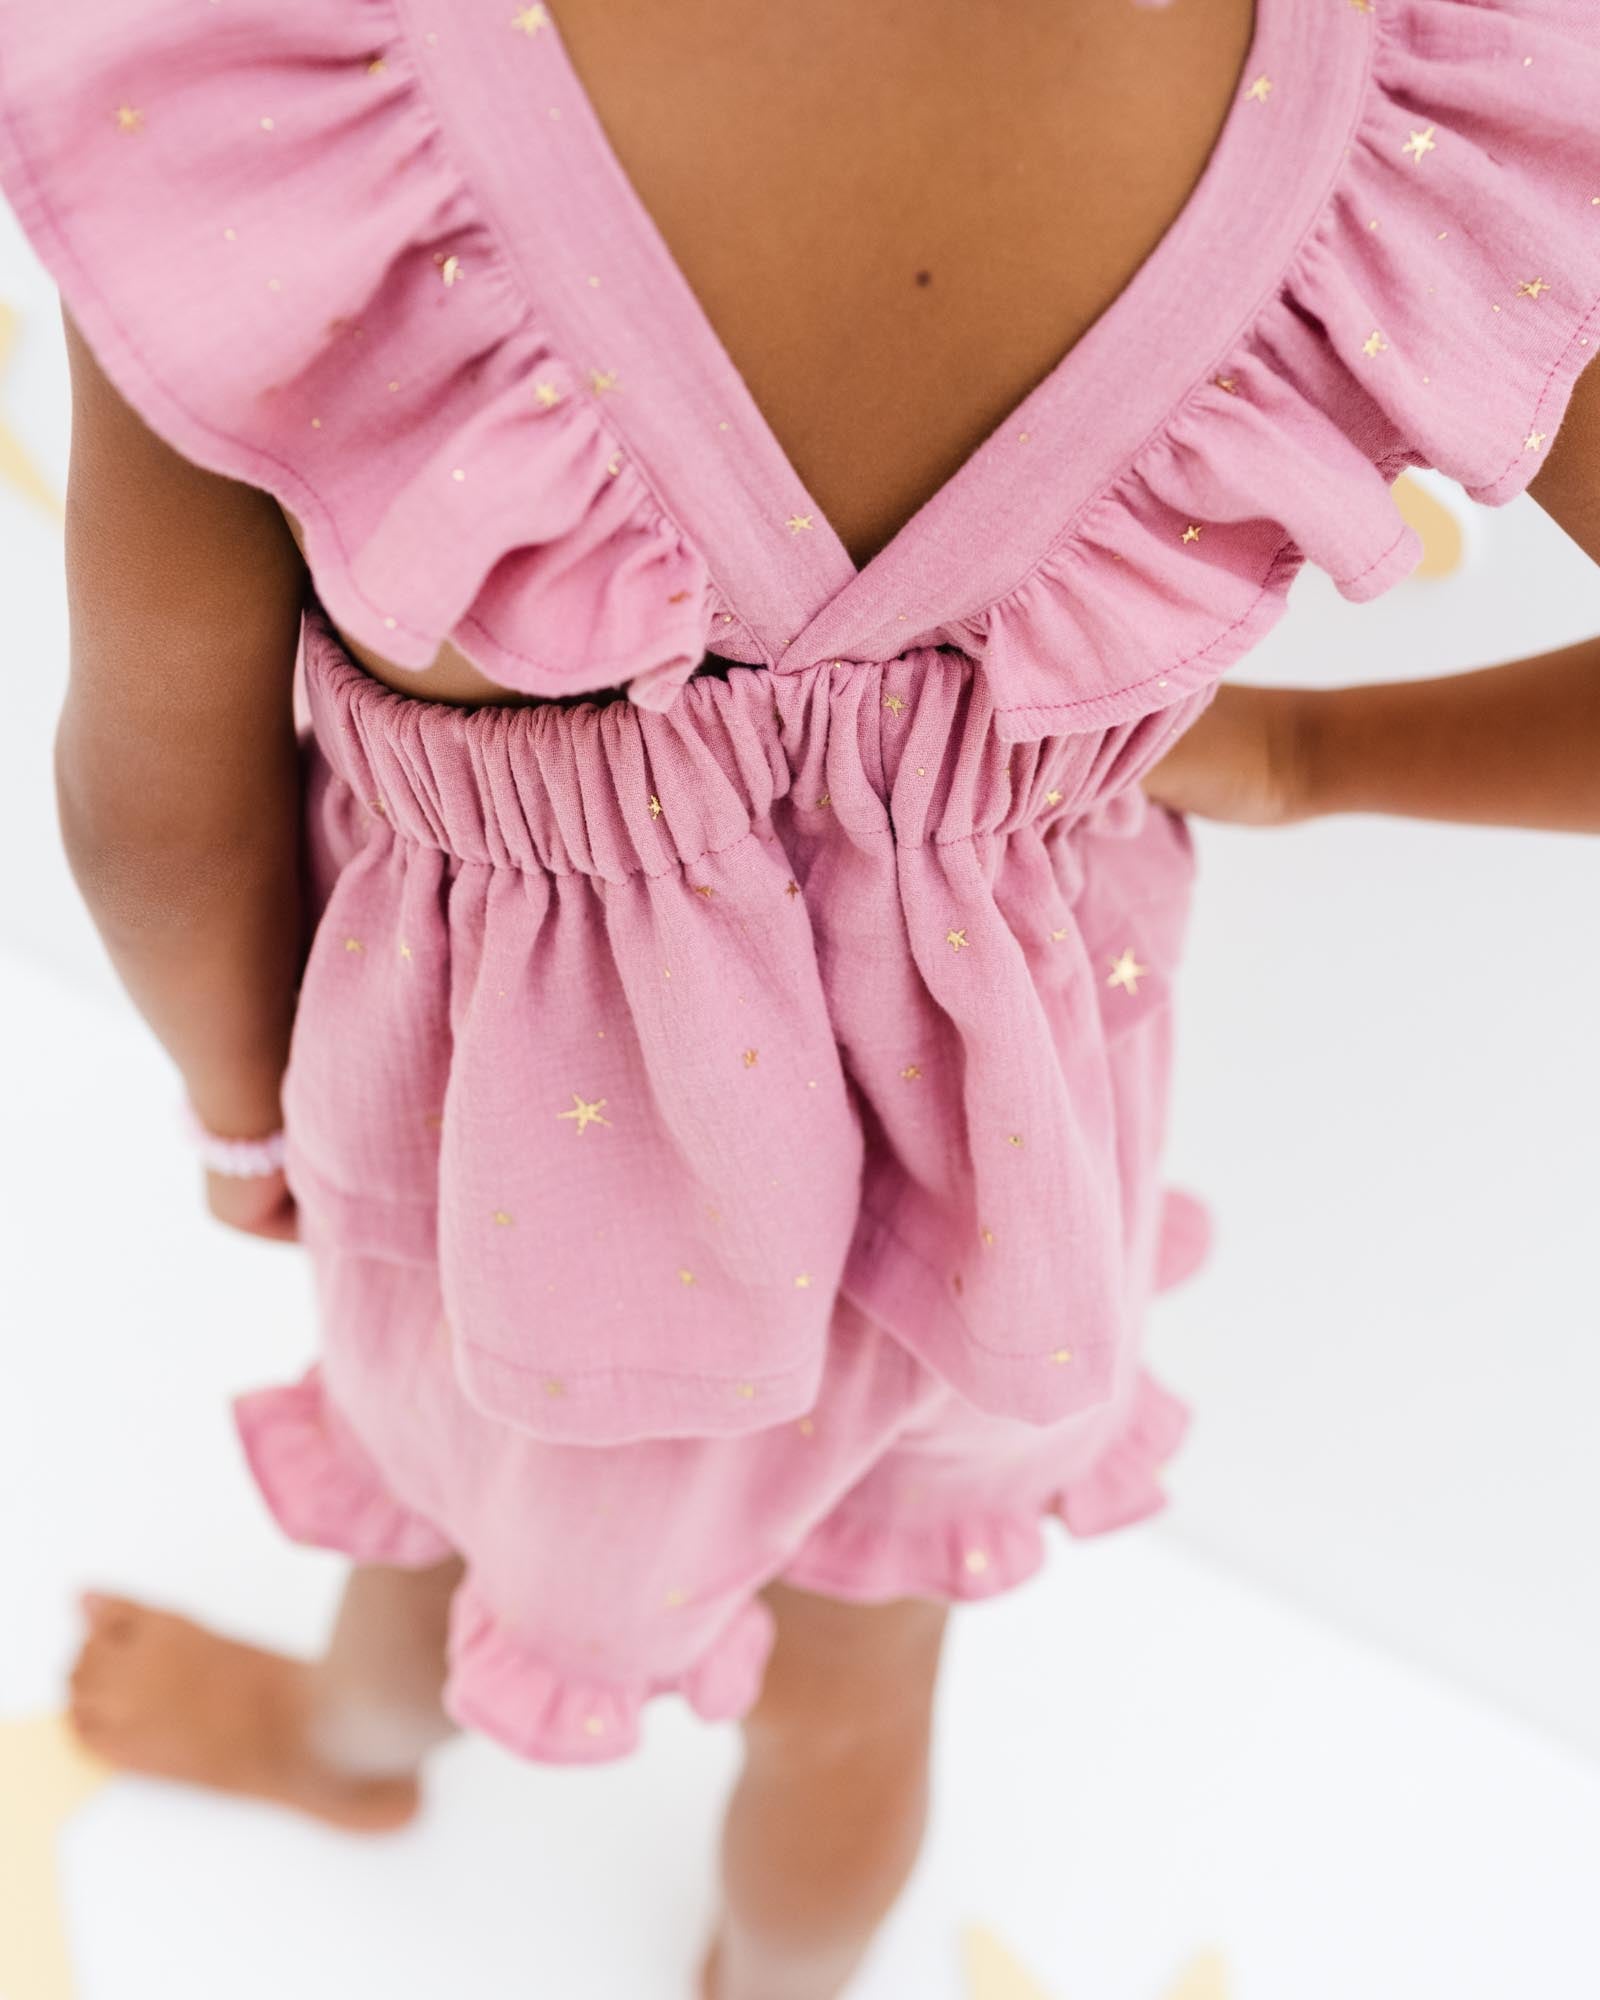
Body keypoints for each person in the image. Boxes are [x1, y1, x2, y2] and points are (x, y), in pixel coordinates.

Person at [3, 0, 1597, 1994]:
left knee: (435, 1479)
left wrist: (242, 1106)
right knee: (858, 1684)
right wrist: (1303, 765)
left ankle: (354, 1748)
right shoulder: (1421, 75)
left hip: (517, 1126)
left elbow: (149, 794)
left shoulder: (285, 87)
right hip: (1003, 1146)